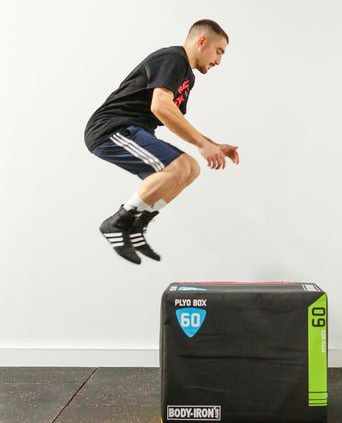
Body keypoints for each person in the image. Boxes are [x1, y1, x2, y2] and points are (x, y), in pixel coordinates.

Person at [84, 20, 239, 264]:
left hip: (134, 129)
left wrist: (211, 143)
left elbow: (171, 117)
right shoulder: (174, 59)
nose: (219, 61)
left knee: (190, 168)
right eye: (219, 51)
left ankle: (137, 224)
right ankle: (117, 223)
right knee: (177, 167)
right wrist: (201, 144)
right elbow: (160, 105)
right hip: (112, 128)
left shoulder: (187, 75)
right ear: (202, 42)